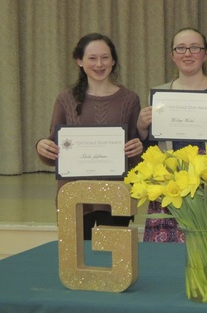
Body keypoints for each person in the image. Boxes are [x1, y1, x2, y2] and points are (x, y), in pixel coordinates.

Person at [137, 27, 207, 242]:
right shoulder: (160, 94)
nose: (188, 53)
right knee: (168, 260)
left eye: (195, 48)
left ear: (205, 55)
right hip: (170, 188)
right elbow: (148, 148)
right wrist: (141, 126)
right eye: (181, 48)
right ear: (172, 55)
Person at [36, 33, 144, 240]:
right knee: (75, 262)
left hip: (116, 194)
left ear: (113, 61)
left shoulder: (129, 99)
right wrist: (42, 146)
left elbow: (136, 156)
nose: (99, 64)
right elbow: (51, 152)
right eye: (92, 58)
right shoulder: (65, 99)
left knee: (113, 262)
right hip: (73, 195)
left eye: (105, 57)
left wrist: (138, 149)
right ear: (79, 61)